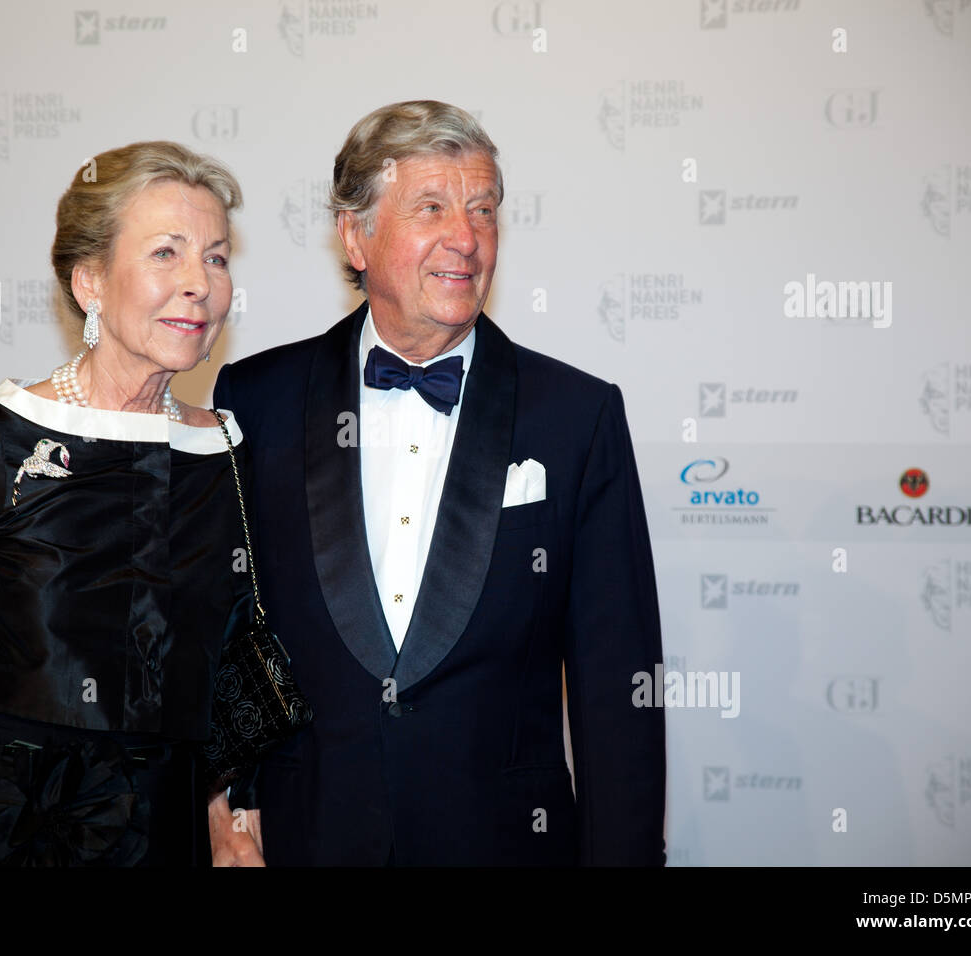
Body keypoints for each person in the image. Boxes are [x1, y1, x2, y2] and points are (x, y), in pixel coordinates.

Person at [211, 101, 666, 865]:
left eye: (483, 210)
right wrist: (225, 807)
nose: (467, 238)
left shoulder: (576, 416)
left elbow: (617, 684)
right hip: (303, 840)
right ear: (355, 236)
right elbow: (224, 631)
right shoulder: (255, 400)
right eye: (432, 208)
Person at [0, 141, 263, 867]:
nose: (199, 282)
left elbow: (227, 684)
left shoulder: (224, 457)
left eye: (217, 257)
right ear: (89, 281)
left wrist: (231, 836)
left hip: (169, 840)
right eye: (167, 253)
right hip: (10, 835)